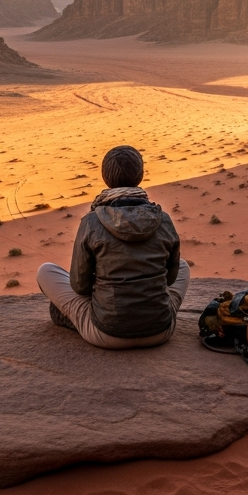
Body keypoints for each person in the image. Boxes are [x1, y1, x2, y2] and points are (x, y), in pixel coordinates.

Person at [36, 145, 190, 349]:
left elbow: (79, 286)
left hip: (106, 333)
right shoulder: (164, 219)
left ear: (105, 178)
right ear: (140, 175)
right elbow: (170, 279)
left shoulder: (91, 222)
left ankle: (76, 318)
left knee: (45, 271)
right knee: (184, 267)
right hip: (160, 331)